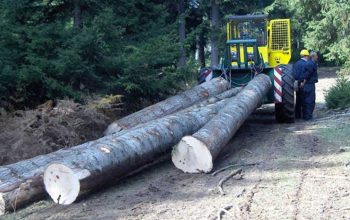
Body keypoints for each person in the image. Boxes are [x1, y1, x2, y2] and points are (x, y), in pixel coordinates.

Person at [294, 49, 310, 119]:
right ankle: (304, 115)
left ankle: (297, 115)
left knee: (298, 100)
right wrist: (303, 82)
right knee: (305, 100)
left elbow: (294, 74)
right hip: (303, 83)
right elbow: (305, 74)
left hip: (297, 83)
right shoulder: (306, 64)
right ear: (306, 56)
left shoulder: (296, 63)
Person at [303, 51, 318, 120]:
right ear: (313, 57)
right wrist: (303, 82)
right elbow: (307, 75)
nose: (317, 57)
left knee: (309, 100)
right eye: (316, 56)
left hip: (309, 84)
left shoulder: (310, 63)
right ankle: (308, 117)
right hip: (309, 84)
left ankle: (308, 116)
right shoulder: (310, 64)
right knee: (310, 100)